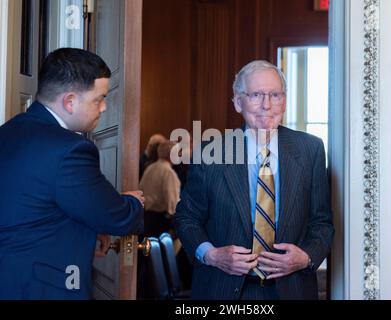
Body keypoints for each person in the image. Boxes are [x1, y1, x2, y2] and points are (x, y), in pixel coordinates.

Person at [175, 60, 334, 300]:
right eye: (257, 95)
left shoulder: (311, 149)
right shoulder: (212, 153)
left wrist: (306, 257)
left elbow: (322, 222)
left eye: (275, 95)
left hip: (291, 289)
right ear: (238, 102)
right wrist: (212, 255)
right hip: (223, 288)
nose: (267, 105)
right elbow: (187, 218)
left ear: (284, 100)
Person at [0, 48, 144, 300]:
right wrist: (133, 202)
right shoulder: (70, 150)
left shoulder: (7, 132)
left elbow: (39, 208)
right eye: (99, 99)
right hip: (41, 288)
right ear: (69, 101)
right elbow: (117, 218)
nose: (103, 107)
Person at [139, 140, 181, 237]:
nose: (180, 155)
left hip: (147, 218)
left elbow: (141, 190)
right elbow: (172, 204)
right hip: (161, 221)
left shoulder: (150, 168)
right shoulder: (168, 173)